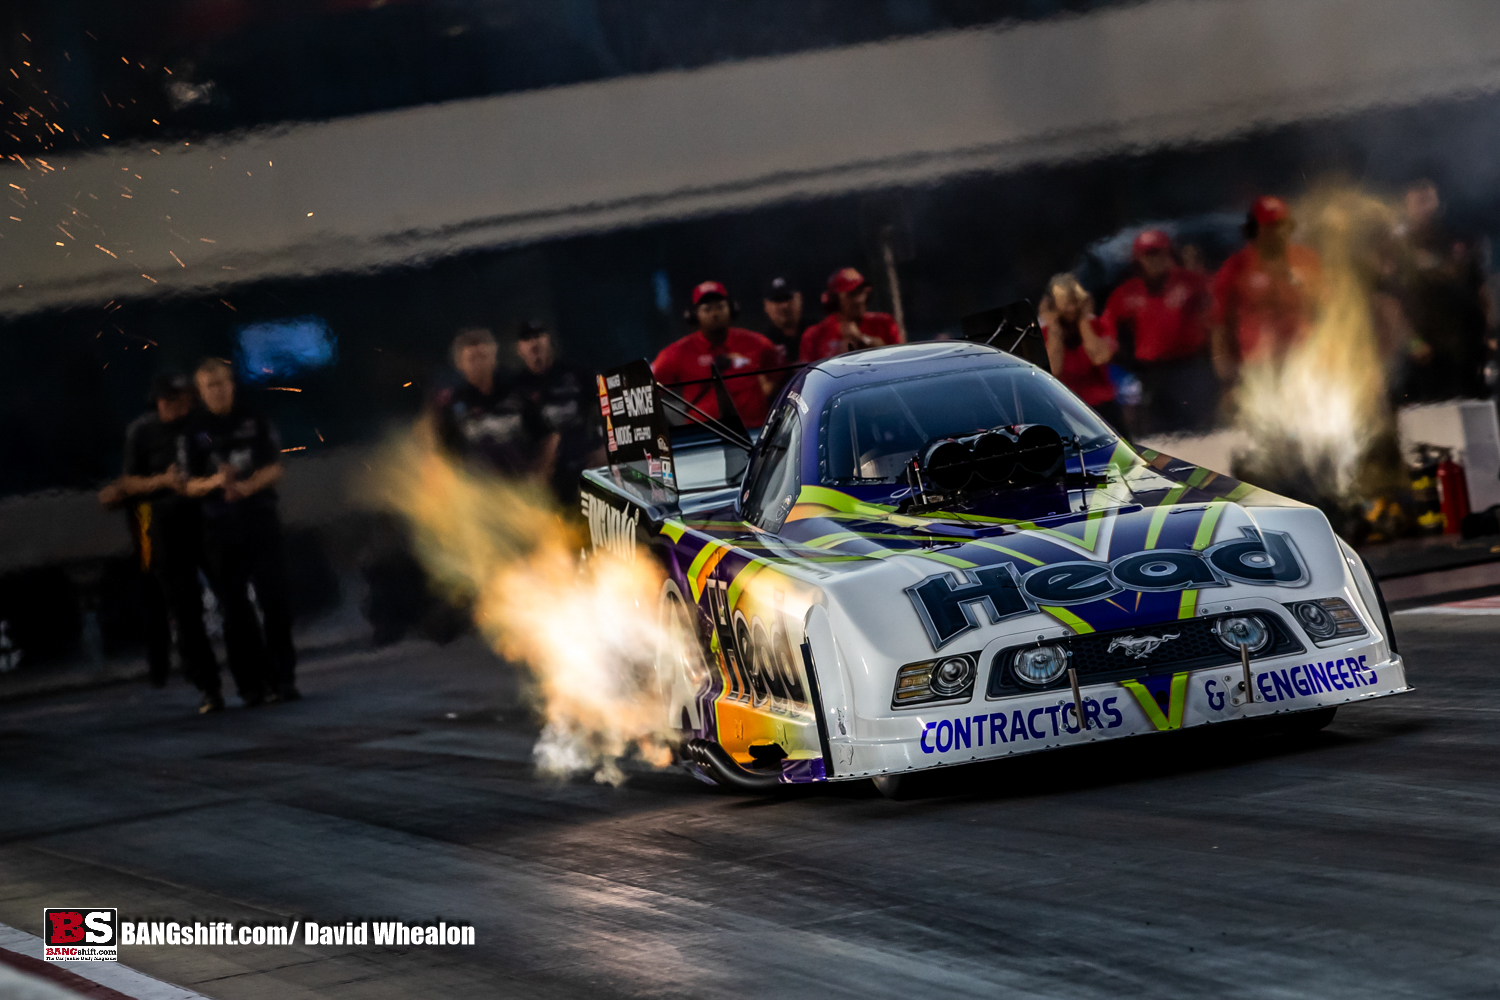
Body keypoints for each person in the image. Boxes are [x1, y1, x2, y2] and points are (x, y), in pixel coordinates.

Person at [97, 372, 224, 711]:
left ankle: (254, 675)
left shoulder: (200, 424)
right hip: (165, 529)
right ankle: (207, 684)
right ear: (164, 401)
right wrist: (162, 481)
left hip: (205, 521)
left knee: (230, 594)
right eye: (180, 398)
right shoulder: (143, 431)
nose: (186, 403)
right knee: (184, 609)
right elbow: (128, 483)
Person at [182, 358, 298, 706]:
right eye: (210, 386)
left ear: (232, 384)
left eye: (222, 383)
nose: (218, 390)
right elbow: (187, 484)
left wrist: (245, 488)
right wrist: (216, 482)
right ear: (201, 392)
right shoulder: (193, 431)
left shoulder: (253, 418)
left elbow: (275, 466)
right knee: (234, 609)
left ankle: (284, 678)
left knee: (274, 600)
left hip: (258, 517)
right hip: (218, 525)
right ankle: (250, 684)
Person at [1099, 229, 1217, 433]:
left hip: (1189, 368)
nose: (1154, 260)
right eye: (1148, 254)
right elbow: (1107, 328)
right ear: (1138, 258)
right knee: (1159, 434)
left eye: (1159, 253)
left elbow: (1217, 306)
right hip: (1150, 374)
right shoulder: (1127, 293)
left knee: (1200, 428)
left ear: (1169, 254)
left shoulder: (1191, 282)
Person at [1396, 179, 1493, 402]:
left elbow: (1481, 289)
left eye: (1428, 198)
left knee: (1473, 406)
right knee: (1432, 411)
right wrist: (1412, 342)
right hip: (1425, 349)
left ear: (1438, 202)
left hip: (1468, 344)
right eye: (1417, 200)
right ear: (1407, 205)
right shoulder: (1399, 249)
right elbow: (1392, 302)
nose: (1423, 205)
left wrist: (1489, 335)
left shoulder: (1460, 241)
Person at [1210, 195, 1323, 383]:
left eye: (1281, 225)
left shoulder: (1307, 260)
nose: (1277, 232)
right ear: (1256, 229)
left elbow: (1324, 310)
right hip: (1256, 363)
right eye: (1269, 226)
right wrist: (1222, 364)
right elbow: (1221, 321)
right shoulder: (1237, 266)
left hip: (1302, 360)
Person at [433, 327, 557, 479]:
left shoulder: (519, 391)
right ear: (460, 364)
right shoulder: (453, 402)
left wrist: (539, 474)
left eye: (483, 356)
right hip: (480, 485)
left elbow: (550, 436)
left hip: (522, 481)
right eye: (472, 359)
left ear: (494, 358)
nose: (479, 363)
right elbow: (444, 453)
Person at [651, 281, 780, 428]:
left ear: (731, 309)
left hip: (757, 434)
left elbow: (781, 377)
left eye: (720, 307)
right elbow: (646, 391)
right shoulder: (677, 353)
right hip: (705, 440)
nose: (715, 314)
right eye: (707, 309)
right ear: (694, 315)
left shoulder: (757, 343)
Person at [509, 319, 605, 504]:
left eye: (538, 336)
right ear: (519, 348)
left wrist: (605, 445)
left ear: (548, 340)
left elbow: (606, 403)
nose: (534, 342)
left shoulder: (576, 374)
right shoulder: (516, 387)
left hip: (586, 465)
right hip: (545, 476)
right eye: (527, 339)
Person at [1040, 273, 1124, 432]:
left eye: (1075, 302)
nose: (1071, 309)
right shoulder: (1045, 334)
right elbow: (1054, 370)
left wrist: (1084, 320)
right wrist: (1054, 328)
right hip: (1067, 411)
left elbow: (1099, 358)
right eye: (1065, 303)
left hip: (1102, 409)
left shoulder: (1097, 325)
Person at [799, 267, 905, 361]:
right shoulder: (814, 335)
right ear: (835, 300)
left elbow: (901, 358)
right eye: (852, 294)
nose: (860, 300)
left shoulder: (884, 322)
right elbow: (807, 375)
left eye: (862, 292)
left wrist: (861, 339)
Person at [761, 276, 805, 364]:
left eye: (787, 298)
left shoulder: (820, 332)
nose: (784, 306)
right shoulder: (762, 344)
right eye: (777, 300)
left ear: (799, 298)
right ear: (766, 305)